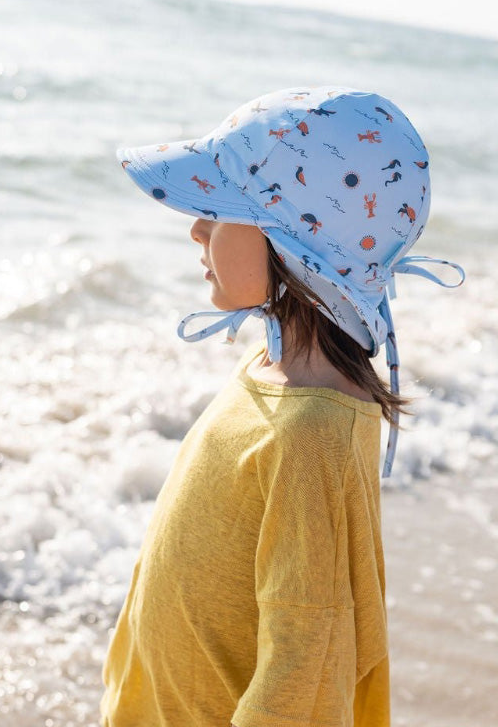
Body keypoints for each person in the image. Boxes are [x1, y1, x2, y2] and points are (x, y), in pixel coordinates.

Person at [100, 85, 464, 727]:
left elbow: (309, 666)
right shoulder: (269, 373)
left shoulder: (312, 431)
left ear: (294, 243)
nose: (195, 227)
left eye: (216, 209)